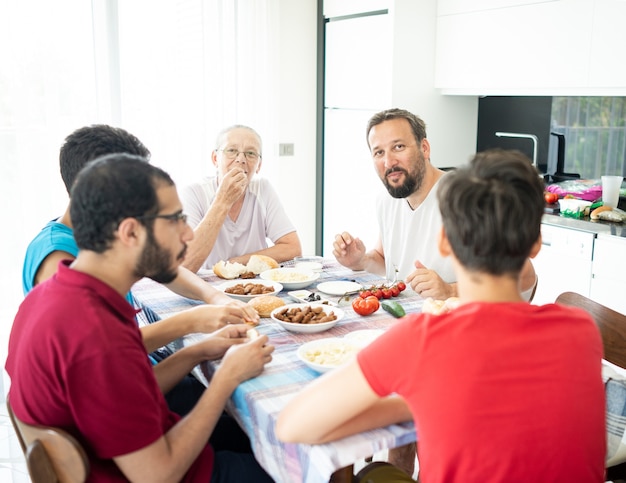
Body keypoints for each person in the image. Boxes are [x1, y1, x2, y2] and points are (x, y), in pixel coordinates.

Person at [277, 149, 606, 482]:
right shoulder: (581, 330)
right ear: (535, 245)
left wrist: (416, 402)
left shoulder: (421, 339)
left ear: (445, 242)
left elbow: (292, 425)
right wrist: (427, 401)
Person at [7, 154, 275, 482]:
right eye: (175, 220)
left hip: (131, 448)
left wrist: (197, 351)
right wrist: (224, 379)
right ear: (130, 232)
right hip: (163, 470)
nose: (188, 235)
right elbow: (157, 475)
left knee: (255, 431)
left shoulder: (54, 296)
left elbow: (126, 396)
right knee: (298, 461)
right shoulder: (95, 335)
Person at [21, 124, 258, 421]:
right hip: (127, 398)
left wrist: (213, 298)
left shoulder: (105, 236)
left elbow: (164, 269)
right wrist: (191, 321)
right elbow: (100, 351)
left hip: (138, 373)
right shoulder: (59, 259)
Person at [333, 108, 537, 301]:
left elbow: (524, 278)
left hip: (467, 326)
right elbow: (387, 260)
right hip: (413, 322)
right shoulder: (386, 201)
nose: (389, 162)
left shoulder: (467, 197)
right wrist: (361, 261)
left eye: (398, 147)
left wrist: (450, 290)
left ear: (425, 148)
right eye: (379, 152)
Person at [181, 124, 302, 272]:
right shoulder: (194, 193)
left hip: (254, 283)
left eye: (250, 153)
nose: (241, 159)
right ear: (215, 159)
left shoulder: (262, 189)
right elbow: (185, 264)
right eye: (231, 151)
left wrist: (236, 263)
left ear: (259, 165)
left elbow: (292, 248)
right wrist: (223, 200)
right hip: (209, 285)